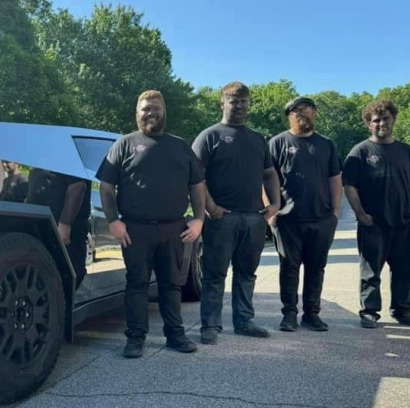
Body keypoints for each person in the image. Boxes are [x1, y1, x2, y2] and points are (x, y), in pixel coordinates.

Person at [95, 89, 206, 358]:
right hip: (135, 230)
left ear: (164, 111)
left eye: (155, 107)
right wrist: (113, 221)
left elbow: (197, 185)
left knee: (172, 285)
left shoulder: (181, 146)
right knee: (137, 284)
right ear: (137, 113)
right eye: (145, 108)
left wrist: (199, 219)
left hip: (174, 229)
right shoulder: (124, 144)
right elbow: (106, 186)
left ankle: (175, 335)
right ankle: (135, 339)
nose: (150, 112)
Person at [192, 81, 280, 343]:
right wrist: (211, 207)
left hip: (254, 218)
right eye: (233, 100)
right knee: (215, 274)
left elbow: (269, 173)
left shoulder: (257, 138)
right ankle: (210, 326)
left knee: (246, 273)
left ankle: (244, 320)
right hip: (222, 218)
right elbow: (196, 178)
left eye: (243, 101)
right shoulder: (209, 136)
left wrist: (275, 204)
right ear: (222, 103)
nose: (239, 105)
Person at [342, 100, 410, 329]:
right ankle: (369, 312)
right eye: (376, 120)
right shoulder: (360, 152)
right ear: (368, 124)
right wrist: (360, 214)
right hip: (374, 222)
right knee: (370, 270)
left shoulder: (407, 151)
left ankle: (402, 310)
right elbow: (349, 186)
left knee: (405, 269)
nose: (381, 123)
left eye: (386, 118)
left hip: (404, 221)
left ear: (393, 120)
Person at [268, 97, 342, 332]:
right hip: (287, 218)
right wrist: (271, 211)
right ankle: (289, 314)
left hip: (321, 218)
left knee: (316, 267)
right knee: (288, 267)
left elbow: (335, 178)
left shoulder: (326, 144)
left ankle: (311, 313)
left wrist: (336, 210)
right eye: (295, 110)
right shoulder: (277, 143)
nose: (301, 113)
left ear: (314, 113)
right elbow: (267, 179)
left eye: (306, 109)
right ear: (289, 115)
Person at [25, 167, 90, 289]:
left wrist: (65, 223)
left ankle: (62, 306)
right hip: (40, 227)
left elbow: (78, 186)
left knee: (67, 274)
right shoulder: (43, 161)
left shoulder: (68, 158)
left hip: (60, 228)